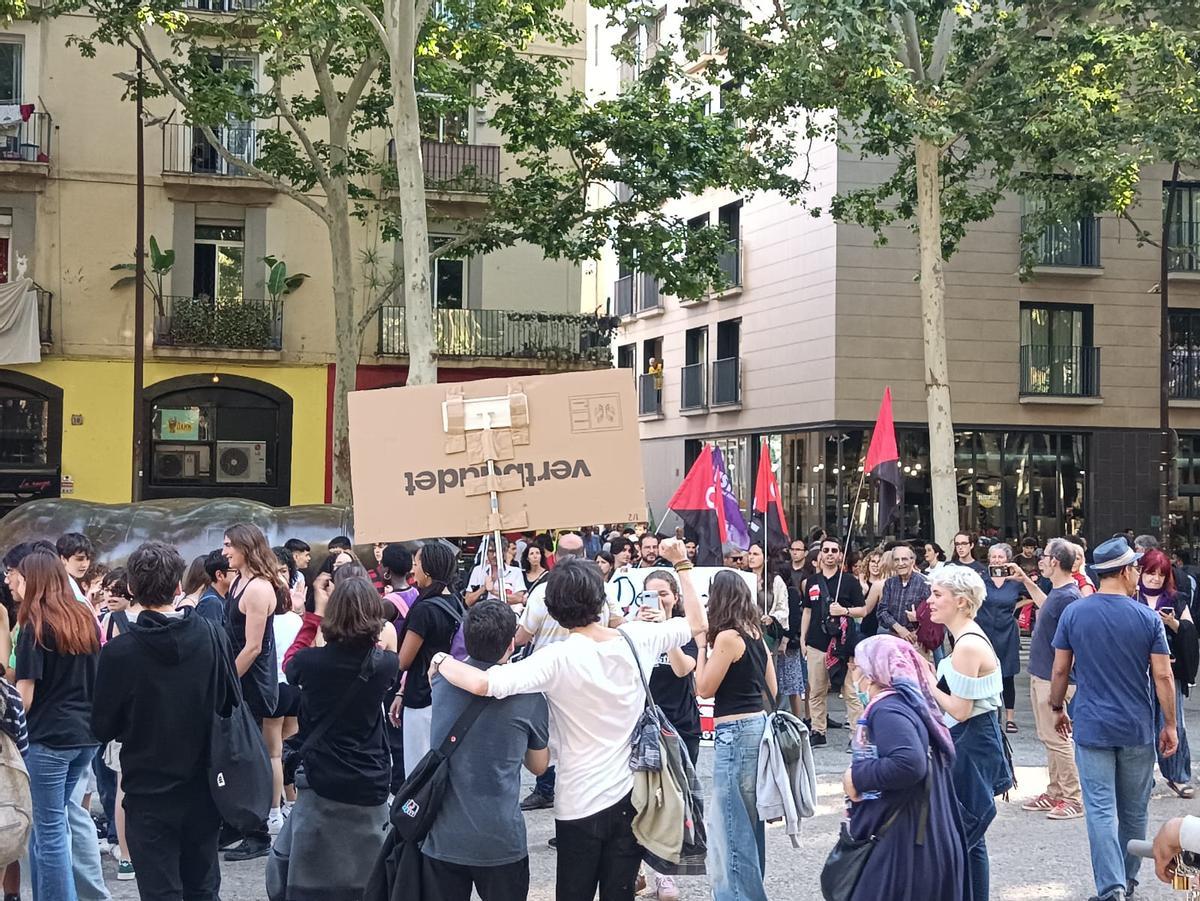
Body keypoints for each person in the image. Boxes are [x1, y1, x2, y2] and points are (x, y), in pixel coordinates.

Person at [434, 542, 706, 901]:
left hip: (578, 801)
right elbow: (699, 623)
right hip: (632, 793)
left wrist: (441, 660)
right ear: (601, 600)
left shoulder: (555, 658)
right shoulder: (637, 637)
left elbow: (486, 683)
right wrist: (682, 563)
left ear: (555, 611)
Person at [91, 541, 232, 901]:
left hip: (147, 789)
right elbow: (229, 700)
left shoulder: (119, 653)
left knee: (159, 891)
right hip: (205, 783)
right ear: (178, 587)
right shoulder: (211, 635)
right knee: (202, 888)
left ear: (132, 589)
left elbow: (101, 726)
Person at [1049, 537, 1178, 901]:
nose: (1138, 573)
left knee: (1100, 810)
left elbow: (1061, 670)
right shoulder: (1147, 617)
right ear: (1124, 571)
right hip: (1136, 725)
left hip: (1091, 724)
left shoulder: (1075, 612)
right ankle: (1128, 879)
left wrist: (1057, 708)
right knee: (1134, 809)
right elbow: (1163, 676)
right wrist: (1170, 725)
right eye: (1136, 567)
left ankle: (1112, 889)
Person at [277, 577, 399, 901]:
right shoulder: (386, 664)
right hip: (370, 777)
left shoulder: (309, 664)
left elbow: (289, 662)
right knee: (368, 877)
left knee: (310, 872)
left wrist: (314, 615)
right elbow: (377, 649)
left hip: (322, 778)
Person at [421, 600, 549, 901]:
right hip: (500, 839)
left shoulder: (442, 678)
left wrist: (440, 658)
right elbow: (539, 766)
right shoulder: (529, 697)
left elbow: (441, 667)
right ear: (511, 644)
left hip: (443, 836)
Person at [840, 636, 966, 901]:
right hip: (923, 836)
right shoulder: (912, 704)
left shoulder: (888, 709)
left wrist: (856, 776)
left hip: (906, 843)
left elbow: (909, 764)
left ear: (876, 671)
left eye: (859, 666)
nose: (855, 673)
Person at [14, 550, 103, 901]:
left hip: (48, 739)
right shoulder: (83, 616)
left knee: (49, 829)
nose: (12, 582)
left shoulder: (33, 624)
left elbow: (25, 698)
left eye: (17, 576)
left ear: (32, 580)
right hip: (85, 736)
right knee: (50, 824)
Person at [514, 533, 621, 814]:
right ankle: (582, 800)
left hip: (551, 679)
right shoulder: (602, 589)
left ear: (555, 557)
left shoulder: (542, 592)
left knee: (548, 740)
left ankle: (551, 792)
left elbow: (522, 638)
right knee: (583, 739)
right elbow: (620, 625)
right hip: (593, 673)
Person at [925, 565, 1013, 901]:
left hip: (972, 743)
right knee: (968, 840)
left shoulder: (966, 645)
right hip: (974, 740)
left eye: (937, 595)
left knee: (962, 838)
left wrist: (925, 681)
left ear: (961, 601)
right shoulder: (964, 637)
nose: (930, 601)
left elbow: (959, 710)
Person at [695, 568, 774, 901]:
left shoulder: (727, 638)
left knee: (731, 823)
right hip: (757, 725)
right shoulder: (754, 632)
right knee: (749, 821)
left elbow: (704, 688)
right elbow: (773, 686)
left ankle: (738, 897)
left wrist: (702, 649)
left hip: (734, 730)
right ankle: (749, 891)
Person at [221, 522, 289, 861]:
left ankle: (258, 832)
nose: (224, 552)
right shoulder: (238, 582)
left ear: (246, 547)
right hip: (237, 681)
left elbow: (252, 647)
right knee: (235, 757)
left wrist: (225, 681)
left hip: (251, 684)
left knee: (252, 759)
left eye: (229, 545)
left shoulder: (259, 589)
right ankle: (237, 823)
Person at [1013, 538, 1084, 820]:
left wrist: (1059, 686)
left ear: (1055, 560)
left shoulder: (1069, 596)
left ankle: (1073, 798)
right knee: (1049, 737)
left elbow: (1074, 645)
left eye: (1044, 556)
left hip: (1053, 679)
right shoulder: (1060, 592)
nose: (1040, 560)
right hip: (1043, 675)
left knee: (1057, 738)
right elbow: (1047, 607)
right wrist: (1025, 581)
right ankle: (1055, 792)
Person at [391, 541, 465, 775]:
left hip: (422, 694)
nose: (414, 570)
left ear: (429, 569)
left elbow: (403, 661)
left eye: (417, 564)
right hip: (450, 693)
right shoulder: (457, 602)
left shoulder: (424, 609)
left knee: (418, 766)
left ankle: (418, 812)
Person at [1135, 548, 1197, 799]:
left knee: (1174, 723)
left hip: (1170, 671)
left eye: (1160, 574)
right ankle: (1143, 780)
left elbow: (1191, 632)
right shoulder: (1131, 597)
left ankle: (1178, 776)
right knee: (1142, 726)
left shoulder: (1176, 599)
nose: (1155, 579)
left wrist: (1174, 624)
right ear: (1141, 573)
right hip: (1139, 672)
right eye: (1150, 573)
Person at [801, 538, 864, 746]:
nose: (829, 554)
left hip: (844, 644)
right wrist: (803, 639)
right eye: (825, 550)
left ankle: (856, 734)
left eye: (834, 550)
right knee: (816, 690)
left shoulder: (849, 582)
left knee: (850, 691)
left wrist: (844, 611)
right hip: (816, 643)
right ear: (820, 555)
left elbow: (862, 610)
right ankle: (818, 731)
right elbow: (807, 611)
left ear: (840, 555)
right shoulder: (811, 582)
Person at [977, 543, 1027, 734]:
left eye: (1001, 557)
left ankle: (1010, 718)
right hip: (985, 631)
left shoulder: (1015, 582)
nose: (997, 560)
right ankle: (988, 714)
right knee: (985, 674)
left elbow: (1034, 594)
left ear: (1008, 560)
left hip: (1007, 632)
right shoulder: (981, 580)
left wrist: (1017, 606)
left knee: (1007, 675)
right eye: (994, 557)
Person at [872, 543, 930, 649]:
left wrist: (918, 618)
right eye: (896, 560)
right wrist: (899, 629)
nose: (900, 563)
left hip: (916, 640)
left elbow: (933, 615)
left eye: (904, 559)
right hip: (892, 638)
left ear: (912, 561)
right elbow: (882, 611)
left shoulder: (925, 583)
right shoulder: (890, 583)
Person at [466, 538, 525, 607]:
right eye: (491, 551)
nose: (494, 555)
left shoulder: (515, 572)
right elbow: (468, 601)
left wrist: (494, 592)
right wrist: (483, 588)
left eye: (497, 551)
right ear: (486, 552)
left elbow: (519, 598)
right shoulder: (478, 570)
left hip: (506, 614)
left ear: (504, 552)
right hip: (482, 614)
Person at [56, 532, 94, 603]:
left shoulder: (69, 582)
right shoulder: (57, 586)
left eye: (88, 559)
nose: (85, 564)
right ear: (63, 558)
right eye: (79, 559)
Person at [196, 550, 232, 625]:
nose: (239, 574)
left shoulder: (226, 596)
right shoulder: (211, 603)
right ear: (219, 575)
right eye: (236, 571)